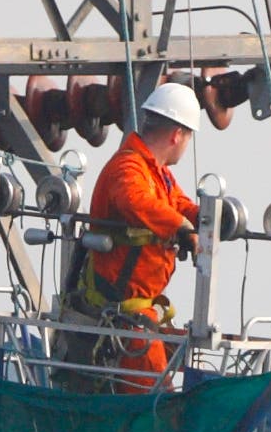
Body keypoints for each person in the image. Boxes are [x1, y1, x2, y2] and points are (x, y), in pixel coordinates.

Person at [61, 78, 206, 391]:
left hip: (139, 313)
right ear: (177, 135)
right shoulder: (127, 168)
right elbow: (134, 200)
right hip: (122, 316)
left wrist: (207, 217)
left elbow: (177, 202)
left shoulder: (156, 173)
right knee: (158, 405)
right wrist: (180, 227)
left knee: (186, 357)